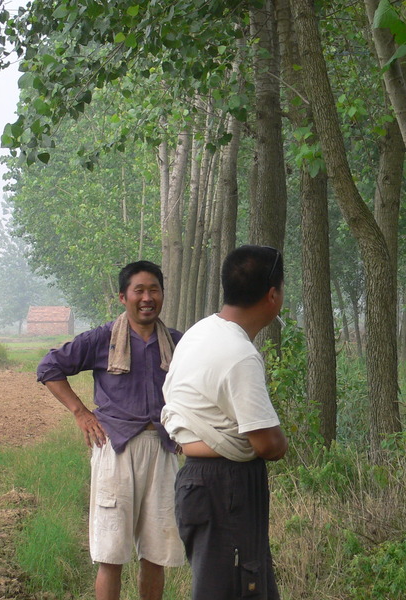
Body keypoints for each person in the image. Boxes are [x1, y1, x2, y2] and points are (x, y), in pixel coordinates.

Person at [36, 260, 185, 600]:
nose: (147, 298)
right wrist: (81, 412)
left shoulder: (177, 342)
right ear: (123, 297)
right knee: (111, 553)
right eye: (139, 290)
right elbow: (49, 367)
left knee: (156, 554)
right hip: (115, 449)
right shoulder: (102, 338)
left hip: (162, 450)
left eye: (154, 290)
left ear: (162, 295)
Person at [161, 244, 288, 600]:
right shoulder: (240, 356)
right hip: (226, 487)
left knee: (238, 584)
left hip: (195, 480)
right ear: (273, 295)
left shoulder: (199, 333)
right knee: (237, 588)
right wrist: (280, 441)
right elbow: (266, 444)